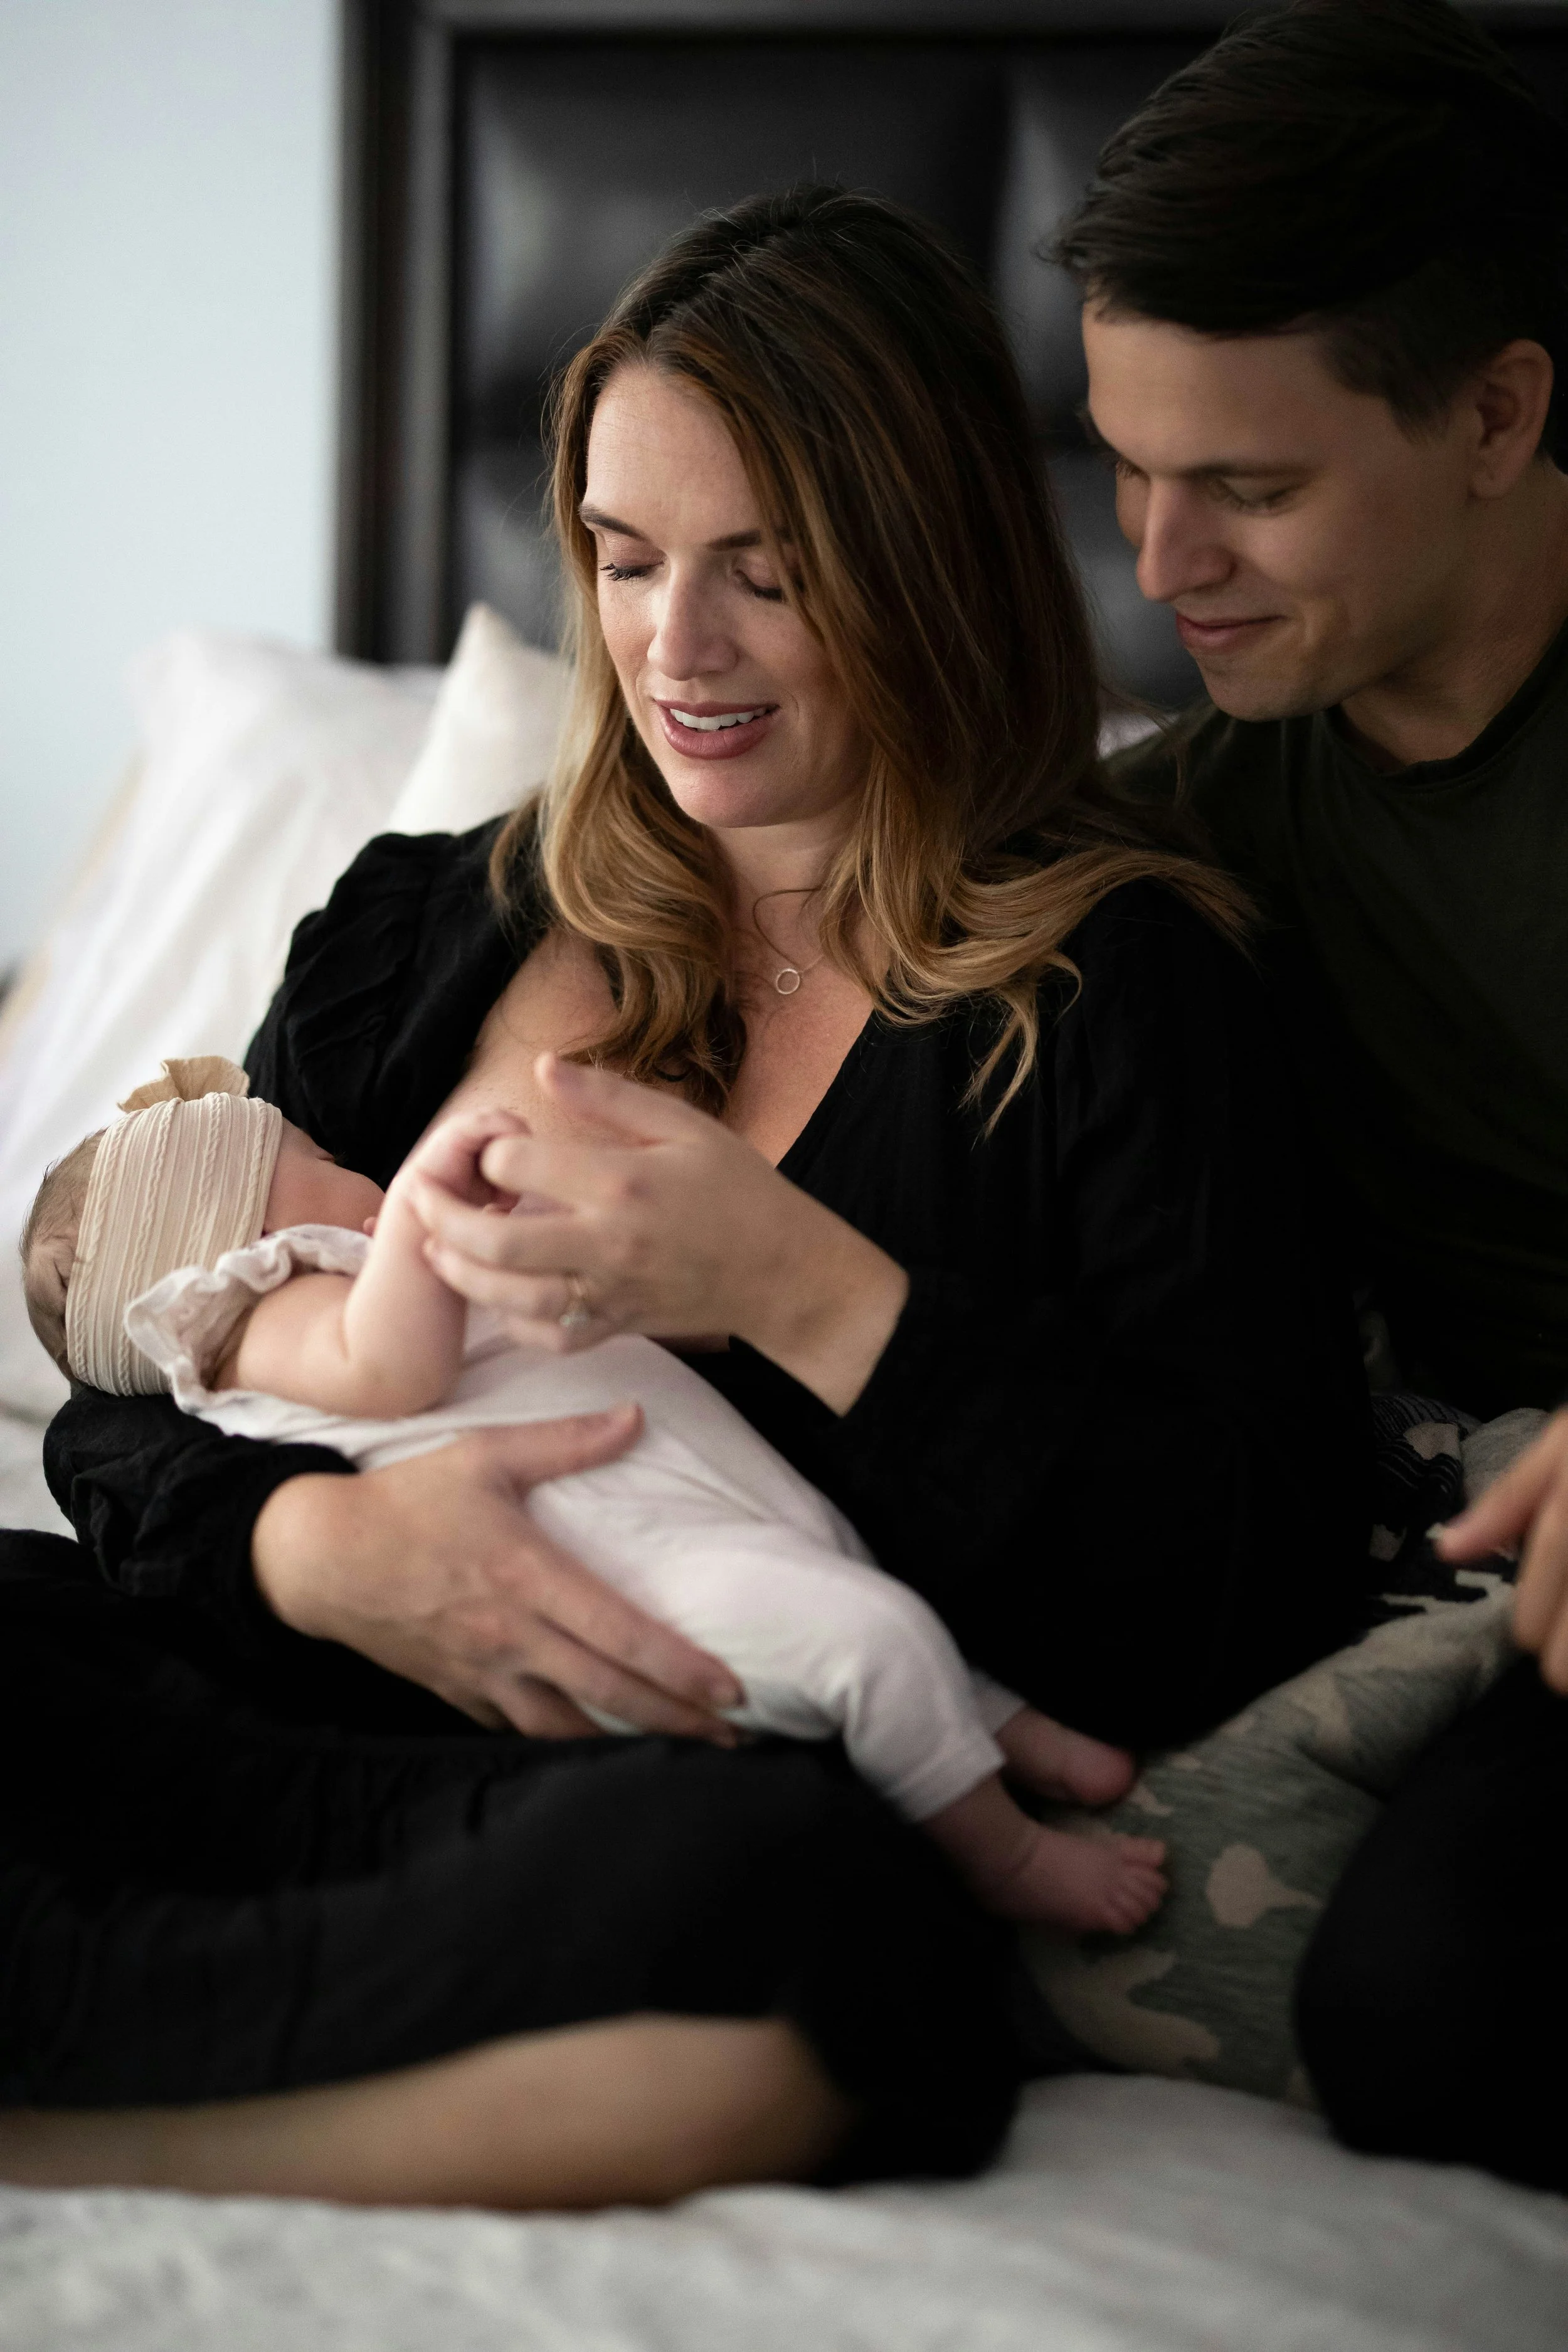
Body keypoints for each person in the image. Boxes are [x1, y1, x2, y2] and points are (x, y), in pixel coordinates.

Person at [6, 185, 1368, 2208]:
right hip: (285, 1715)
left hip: (644, 1805)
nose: (673, 645)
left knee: (825, 1919)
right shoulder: (424, 929)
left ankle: (112, 2117)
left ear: (923, 571)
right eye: (626, 559)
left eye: (765, 570)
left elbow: (1235, 1573)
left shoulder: (1117, 989)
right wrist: (323, 1548)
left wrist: (814, 1291)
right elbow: (142, 1381)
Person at [1052, 0, 1568, 2190]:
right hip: (1483, 1554)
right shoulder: (1195, 826)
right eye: (1126, 471)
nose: (1162, 571)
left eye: (1248, 490)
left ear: (1494, 414)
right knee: (1424, 2010)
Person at [24, 1062, 1167, 1931]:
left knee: (850, 1581)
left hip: (694, 1497)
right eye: (312, 1148)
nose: (355, 1164)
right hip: (626, 1581)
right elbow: (393, 1370)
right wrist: (426, 1200)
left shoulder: (331, 1279)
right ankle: (1002, 1854)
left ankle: (1005, 1728)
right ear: (245, 1232)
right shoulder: (262, 1318)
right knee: (868, 1639)